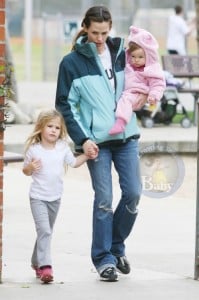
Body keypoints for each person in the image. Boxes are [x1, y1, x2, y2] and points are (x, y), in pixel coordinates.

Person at [55, 6, 147, 282]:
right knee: (104, 200)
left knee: (133, 194)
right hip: (97, 142)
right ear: (84, 27)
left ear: (111, 28)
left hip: (127, 136)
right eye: (94, 32)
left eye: (104, 33)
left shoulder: (122, 53)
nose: (99, 38)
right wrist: (82, 139)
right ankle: (104, 259)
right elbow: (64, 105)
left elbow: (142, 76)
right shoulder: (71, 63)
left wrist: (142, 96)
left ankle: (116, 247)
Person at [22, 109, 89, 283]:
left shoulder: (62, 147)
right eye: (49, 126)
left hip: (55, 198)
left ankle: (36, 262)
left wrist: (87, 155)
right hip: (38, 197)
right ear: (41, 128)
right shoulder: (34, 150)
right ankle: (46, 267)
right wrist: (30, 168)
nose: (53, 130)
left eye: (57, 128)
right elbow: (25, 170)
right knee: (44, 230)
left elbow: (74, 163)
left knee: (45, 231)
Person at [109, 26, 166, 135]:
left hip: (140, 93)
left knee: (126, 100)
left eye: (140, 57)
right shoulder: (129, 66)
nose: (136, 60)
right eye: (133, 56)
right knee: (124, 99)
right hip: (129, 92)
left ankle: (121, 122)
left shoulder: (151, 69)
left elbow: (158, 83)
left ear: (149, 56)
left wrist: (153, 95)